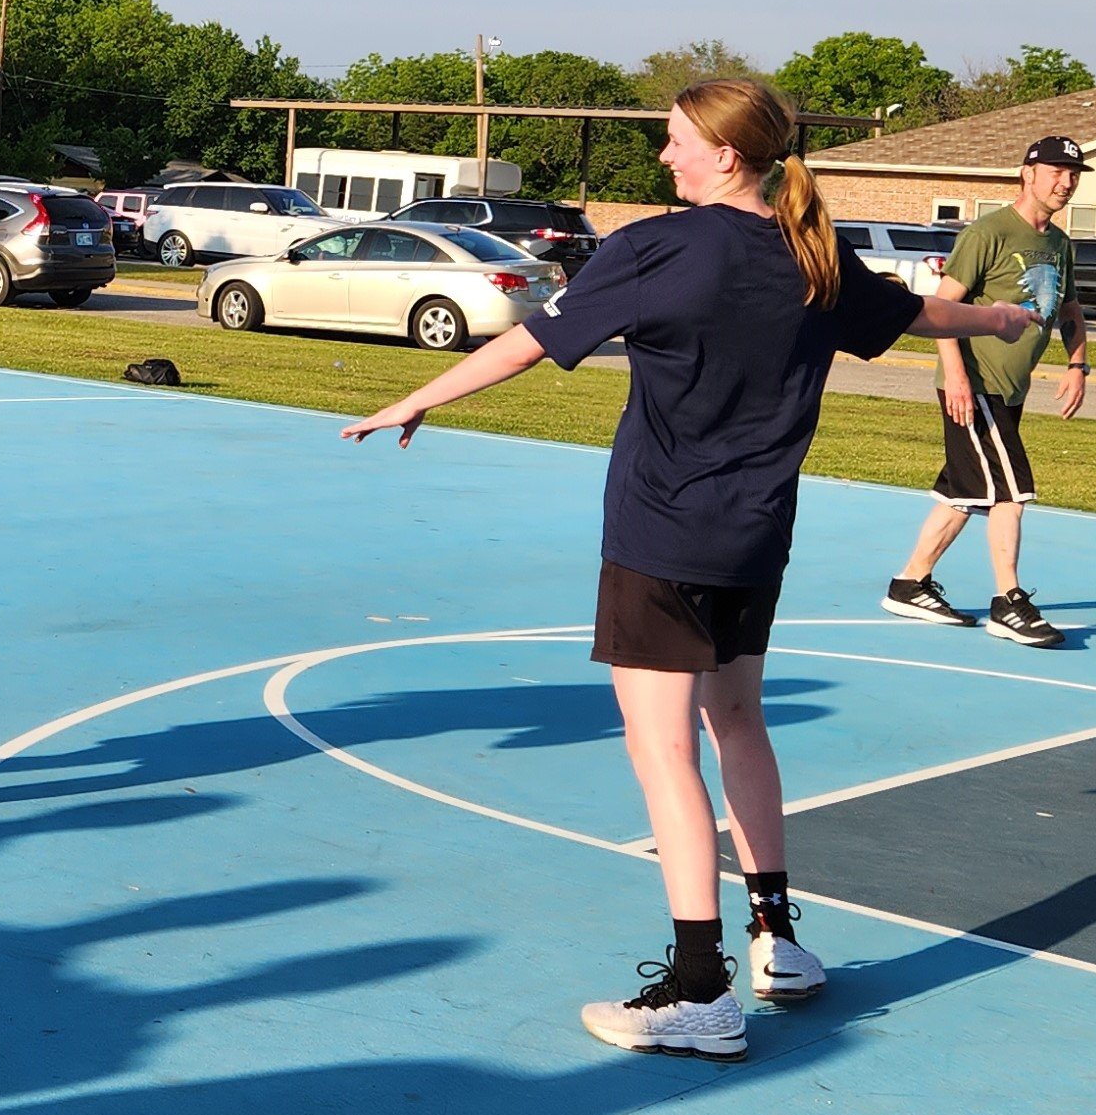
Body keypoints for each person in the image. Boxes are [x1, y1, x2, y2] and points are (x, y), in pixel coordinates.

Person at [342, 79, 1033, 1063]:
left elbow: (531, 344)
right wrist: (998, 321)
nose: (663, 157)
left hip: (663, 537)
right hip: (754, 540)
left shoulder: (656, 249)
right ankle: (775, 939)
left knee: (659, 748)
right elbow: (917, 314)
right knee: (736, 719)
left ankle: (698, 986)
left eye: (673, 141)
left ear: (721, 153)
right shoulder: (811, 256)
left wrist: (415, 397)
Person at [881, 136, 1093, 648]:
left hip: (1010, 390)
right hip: (976, 386)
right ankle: (1009, 602)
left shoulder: (1059, 244)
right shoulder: (989, 232)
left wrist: (1078, 364)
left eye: (1074, 175)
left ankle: (910, 584)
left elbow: (1068, 310)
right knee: (1009, 492)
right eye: (1056, 172)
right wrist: (955, 375)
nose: (1065, 183)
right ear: (1028, 173)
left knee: (964, 492)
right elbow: (941, 308)